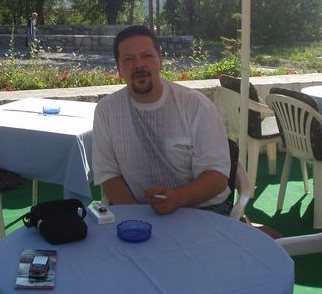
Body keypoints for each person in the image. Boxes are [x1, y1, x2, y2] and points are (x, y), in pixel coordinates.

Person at [93, 25, 232, 216]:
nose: (139, 64)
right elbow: (108, 174)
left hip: (201, 208)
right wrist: (138, 218)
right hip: (137, 210)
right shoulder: (106, 110)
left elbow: (217, 178)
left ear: (161, 61)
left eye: (147, 56)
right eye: (129, 59)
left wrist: (178, 198)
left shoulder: (196, 106)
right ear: (118, 69)